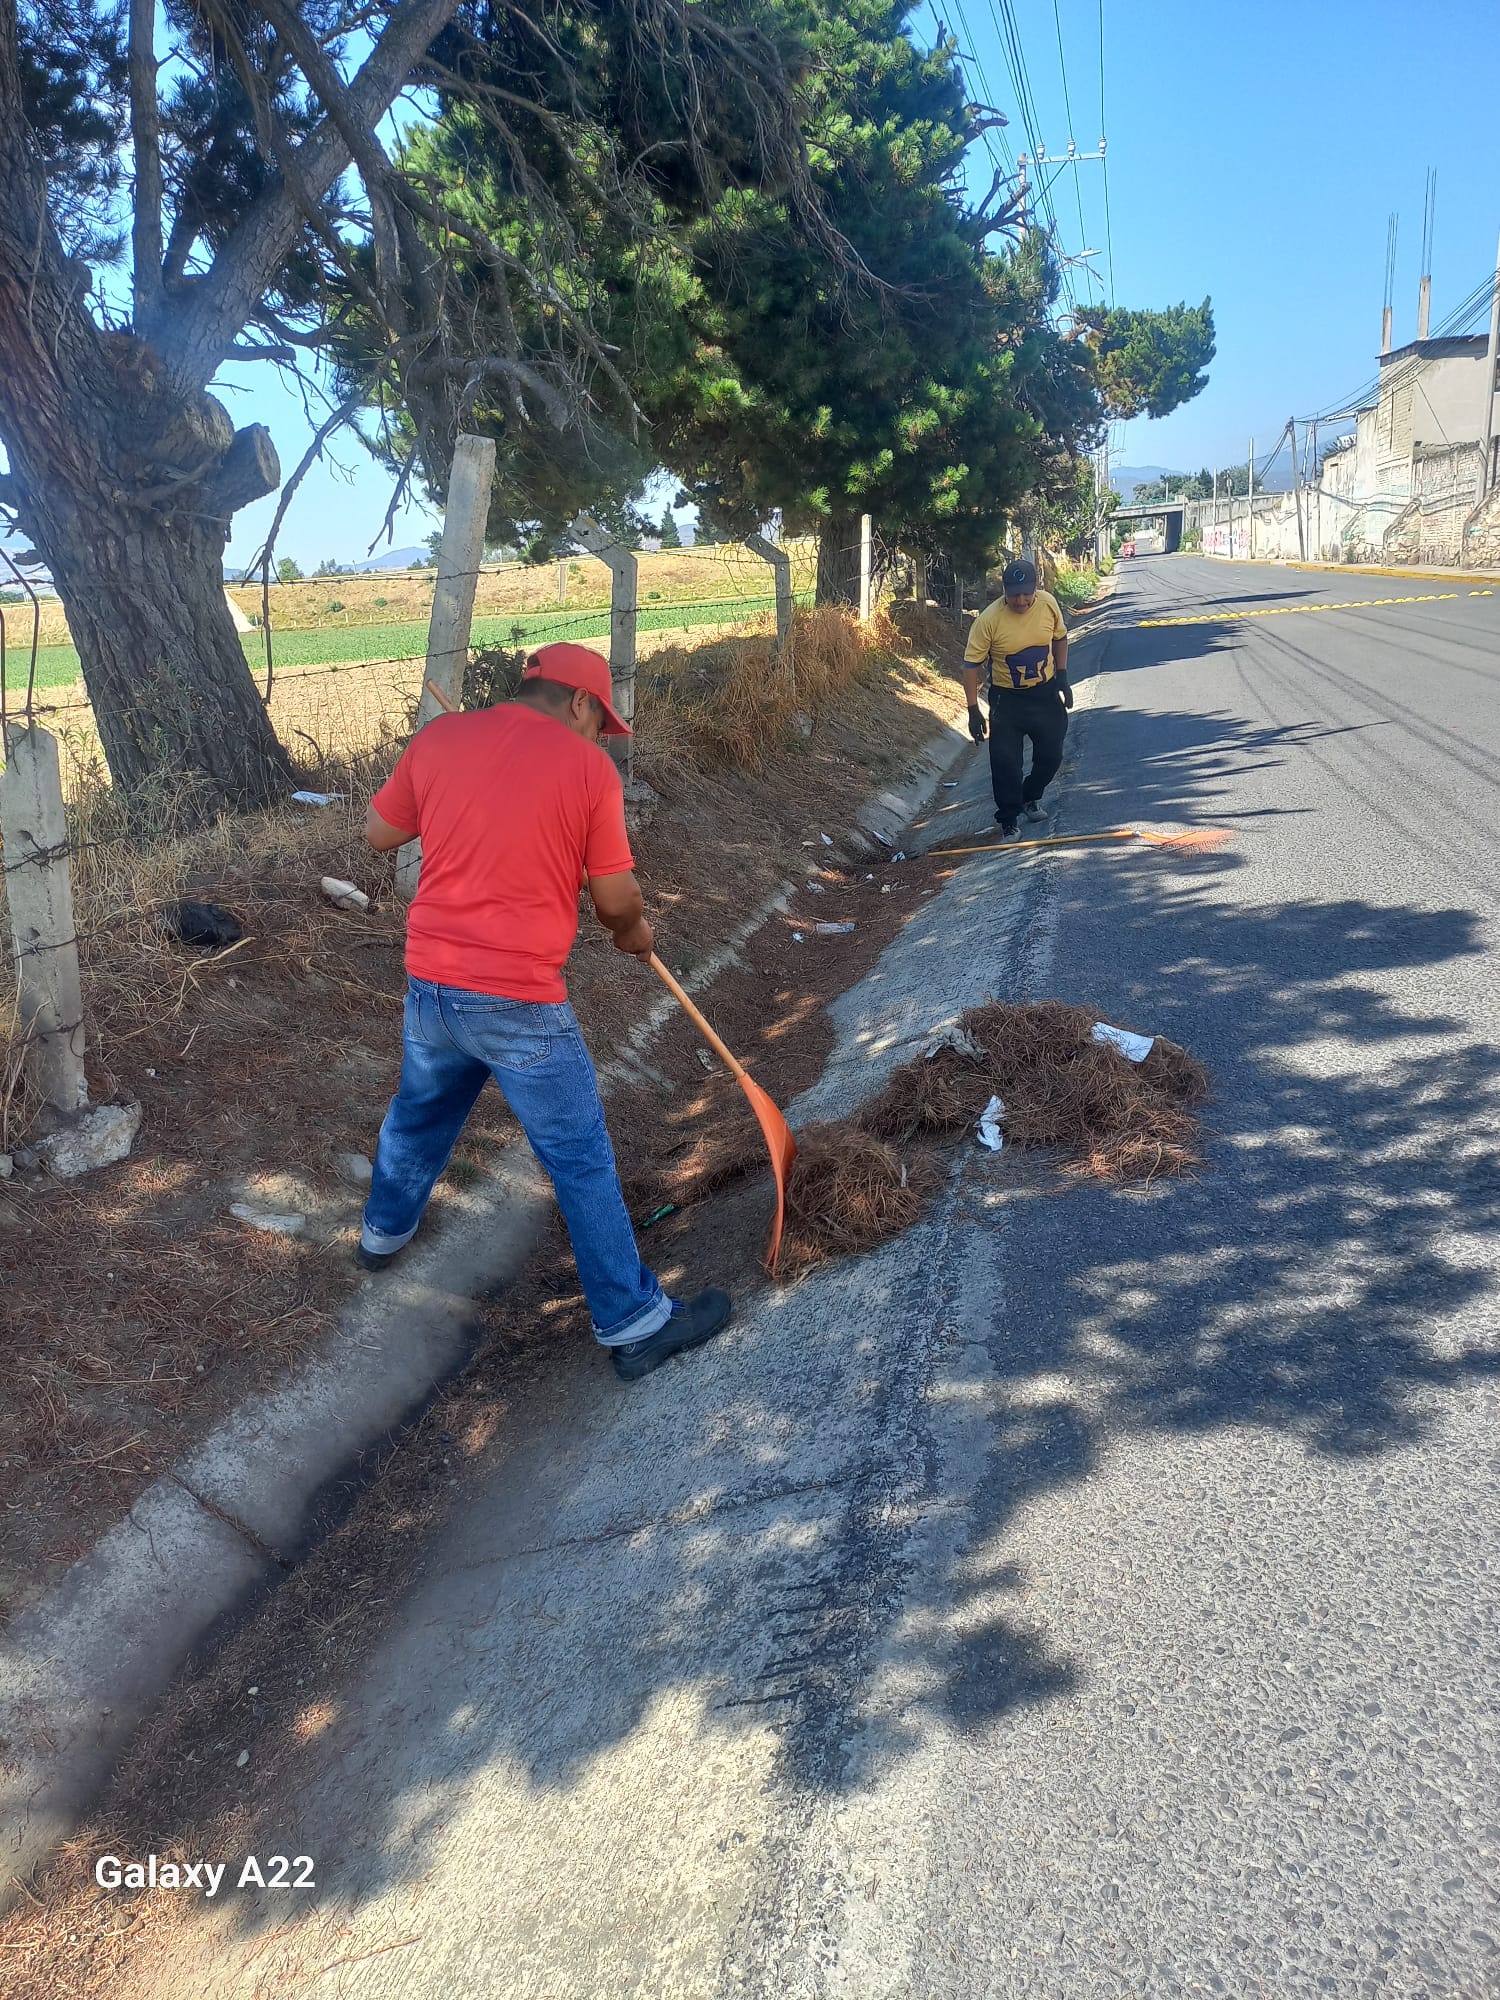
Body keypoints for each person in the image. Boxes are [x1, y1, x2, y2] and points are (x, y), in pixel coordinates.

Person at [359, 641, 732, 1383]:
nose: (602, 739)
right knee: (580, 1158)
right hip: (518, 1002)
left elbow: (379, 835)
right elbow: (617, 898)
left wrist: (448, 793)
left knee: (420, 1112)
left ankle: (381, 1233)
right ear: (582, 702)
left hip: (433, 987)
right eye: (604, 723)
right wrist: (635, 934)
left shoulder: (441, 737)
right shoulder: (586, 768)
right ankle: (635, 1324)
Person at [961, 557, 1073, 839]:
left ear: (1036, 588)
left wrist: (1062, 676)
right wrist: (973, 710)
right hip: (1007, 701)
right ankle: (1009, 817)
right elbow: (971, 665)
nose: (1021, 600)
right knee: (1005, 762)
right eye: (1014, 595)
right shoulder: (989, 620)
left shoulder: (1048, 604)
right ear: (1004, 592)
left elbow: (1060, 638)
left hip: (1044, 694)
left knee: (1051, 755)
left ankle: (1030, 796)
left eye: (1026, 593)